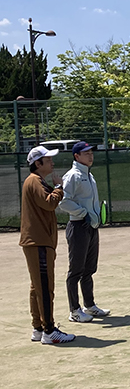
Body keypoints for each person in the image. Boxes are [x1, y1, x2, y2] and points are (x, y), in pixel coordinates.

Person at [20, 146, 73, 344]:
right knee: (44, 288)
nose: (52, 162)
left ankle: (39, 328)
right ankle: (49, 331)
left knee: (37, 287)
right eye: (47, 159)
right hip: (38, 242)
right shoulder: (34, 181)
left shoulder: (36, 181)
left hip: (38, 242)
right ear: (37, 163)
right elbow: (49, 203)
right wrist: (59, 187)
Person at [59, 141, 110, 323]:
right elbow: (63, 201)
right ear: (77, 156)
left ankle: (90, 306)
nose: (90, 155)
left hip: (91, 227)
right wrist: (84, 213)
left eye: (91, 152)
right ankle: (74, 310)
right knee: (75, 271)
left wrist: (94, 217)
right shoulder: (72, 176)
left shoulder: (90, 175)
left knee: (89, 269)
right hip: (78, 227)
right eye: (86, 153)